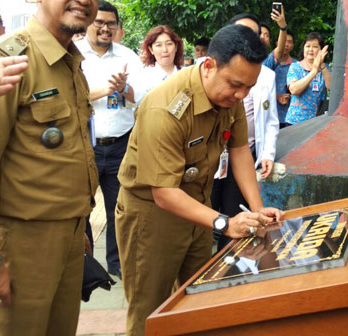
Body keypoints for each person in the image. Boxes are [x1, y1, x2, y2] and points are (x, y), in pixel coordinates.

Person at [115, 24, 283, 335]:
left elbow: (240, 150)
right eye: (235, 85)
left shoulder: (231, 98)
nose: (242, 95)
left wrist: (257, 211)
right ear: (208, 66)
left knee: (199, 298)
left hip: (198, 207)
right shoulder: (165, 108)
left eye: (249, 87)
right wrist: (224, 223)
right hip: (152, 216)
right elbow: (164, 192)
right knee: (150, 310)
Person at [0, 0, 99, 335]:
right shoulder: (8, 59)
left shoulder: (70, 62)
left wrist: (76, 227)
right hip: (21, 246)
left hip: (68, 237)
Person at [76, 0, 141, 279]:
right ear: (89, 22)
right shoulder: (74, 54)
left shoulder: (128, 56)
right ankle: (87, 264)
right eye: (99, 22)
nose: (105, 28)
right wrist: (107, 89)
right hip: (83, 144)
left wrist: (124, 88)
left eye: (111, 24)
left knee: (119, 207)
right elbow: (74, 94)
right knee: (82, 206)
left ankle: (117, 263)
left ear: (117, 28)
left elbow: (140, 96)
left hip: (119, 145)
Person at [211, 13, 280, 251]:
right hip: (209, 162)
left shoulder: (265, 77)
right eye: (236, 86)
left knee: (233, 213)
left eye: (255, 34)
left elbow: (268, 121)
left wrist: (267, 153)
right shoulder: (206, 78)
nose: (243, 94)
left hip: (242, 157)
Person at [285, 32, 331, 126]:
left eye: (315, 46)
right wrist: (314, 71)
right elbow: (294, 90)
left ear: (321, 50)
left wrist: (321, 65)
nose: (310, 49)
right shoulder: (295, 67)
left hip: (317, 123)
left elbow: (332, 87)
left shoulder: (325, 68)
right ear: (303, 49)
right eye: (308, 46)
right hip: (295, 122)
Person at [263, 5, 296, 128]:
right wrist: (277, 96)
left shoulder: (297, 66)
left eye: (290, 42)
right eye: (284, 41)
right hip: (268, 116)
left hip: (288, 117)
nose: (286, 45)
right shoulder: (268, 62)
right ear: (277, 43)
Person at [132, 25, 183, 105]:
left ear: (176, 47)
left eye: (169, 44)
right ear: (151, 49)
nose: (165, 50)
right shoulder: (143, 77)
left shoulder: (186, 75)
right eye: (158, 45)